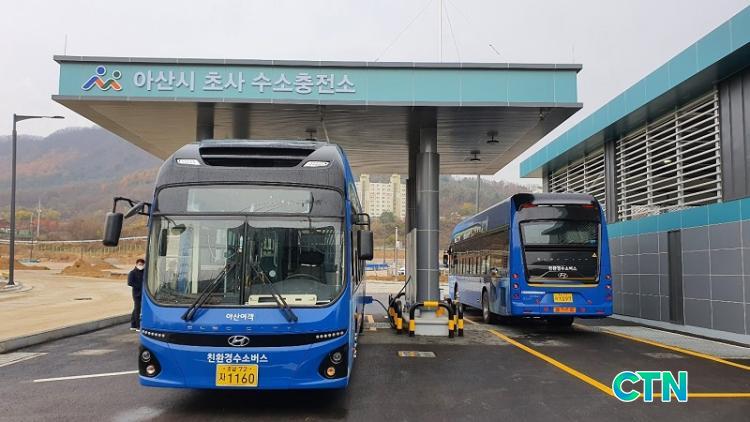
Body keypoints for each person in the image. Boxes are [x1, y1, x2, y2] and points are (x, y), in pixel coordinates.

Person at [128, 258, 145, 331]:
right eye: (139, 264)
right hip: (136, 294)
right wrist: (139, 286)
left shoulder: (145, 272)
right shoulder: (132, 272)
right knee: (137, 309)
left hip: (143, 293)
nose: (141, 266)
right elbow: (130, 283)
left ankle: (133, 325)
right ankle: (138, 326)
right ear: (136, 264)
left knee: (136, 308)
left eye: (142, 264)